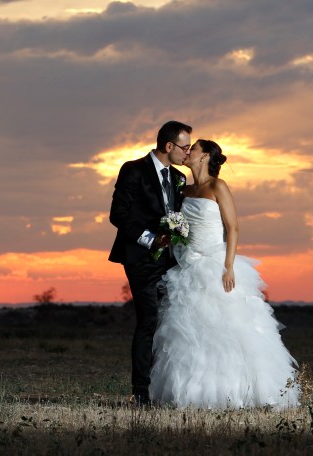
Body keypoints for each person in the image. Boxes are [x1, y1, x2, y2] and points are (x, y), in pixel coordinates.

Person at [149, 139, 299, 409]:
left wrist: (228, 266)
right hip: (187, 267)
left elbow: (233, 228)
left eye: (192, 148)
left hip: (216, 263)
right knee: (189, 331)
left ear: (204, 156)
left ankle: (244, 391)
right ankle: (196, 392)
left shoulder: (218, 186)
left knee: (229, 327)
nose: (187, 152)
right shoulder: (184, 188)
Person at [108, 120, 192, 406]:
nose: (188, 152)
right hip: (141, 259)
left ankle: (165, 388)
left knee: (171, 322)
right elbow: (118, 214)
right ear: (169, 146)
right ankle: (141, 392)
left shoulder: (179, 178)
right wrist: (150, 239)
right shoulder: (133, 170)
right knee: (149, 321)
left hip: (172, 261)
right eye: (185, 147)